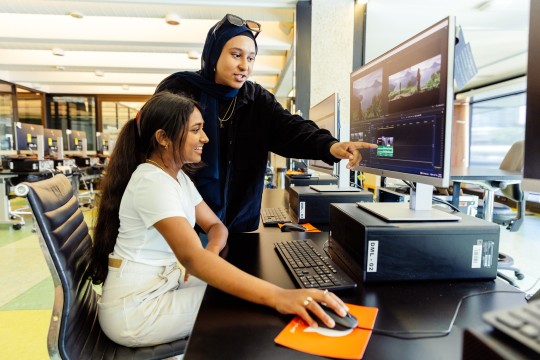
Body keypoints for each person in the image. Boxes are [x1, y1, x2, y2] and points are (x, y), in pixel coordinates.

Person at [90, 91, 350, 347]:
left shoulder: (176, 176)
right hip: (137, 310)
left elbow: (215, 226)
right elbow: (192, 257)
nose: (205, 137)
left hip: (162, 287)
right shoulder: (151, 182)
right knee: (258, 307)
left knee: (251, 290)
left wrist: (212, 251)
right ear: (163, 138)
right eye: (195, 130)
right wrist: (280, 297)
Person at [155, 13, 377, 232]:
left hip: (238, 226)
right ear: (214, 55)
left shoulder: (256, 99)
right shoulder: (180, 89)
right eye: (236, 55)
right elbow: (152, 148)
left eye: (251, 58)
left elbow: (291, 129)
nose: (245, 66)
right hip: (182, 225)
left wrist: (330, 145)